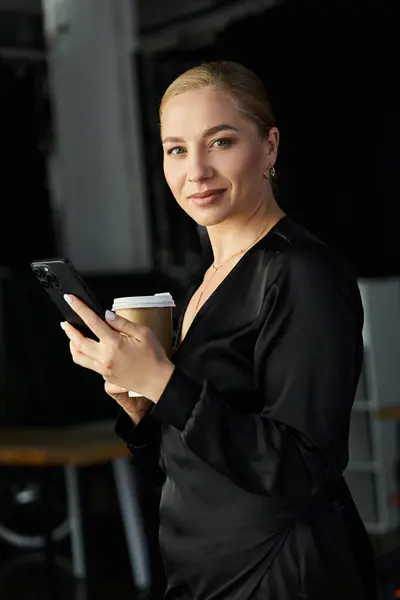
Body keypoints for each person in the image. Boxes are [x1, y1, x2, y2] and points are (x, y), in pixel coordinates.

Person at [61, 61, 377, 599]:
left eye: (221, 141)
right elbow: (198, 452)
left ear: (270, 147)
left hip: (281, 572)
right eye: (176, 149)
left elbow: (300, 467)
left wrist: (164, 384)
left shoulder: (302, 272)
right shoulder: (207, 280)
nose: (197, 171)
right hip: (206, 572)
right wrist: (142, 409)